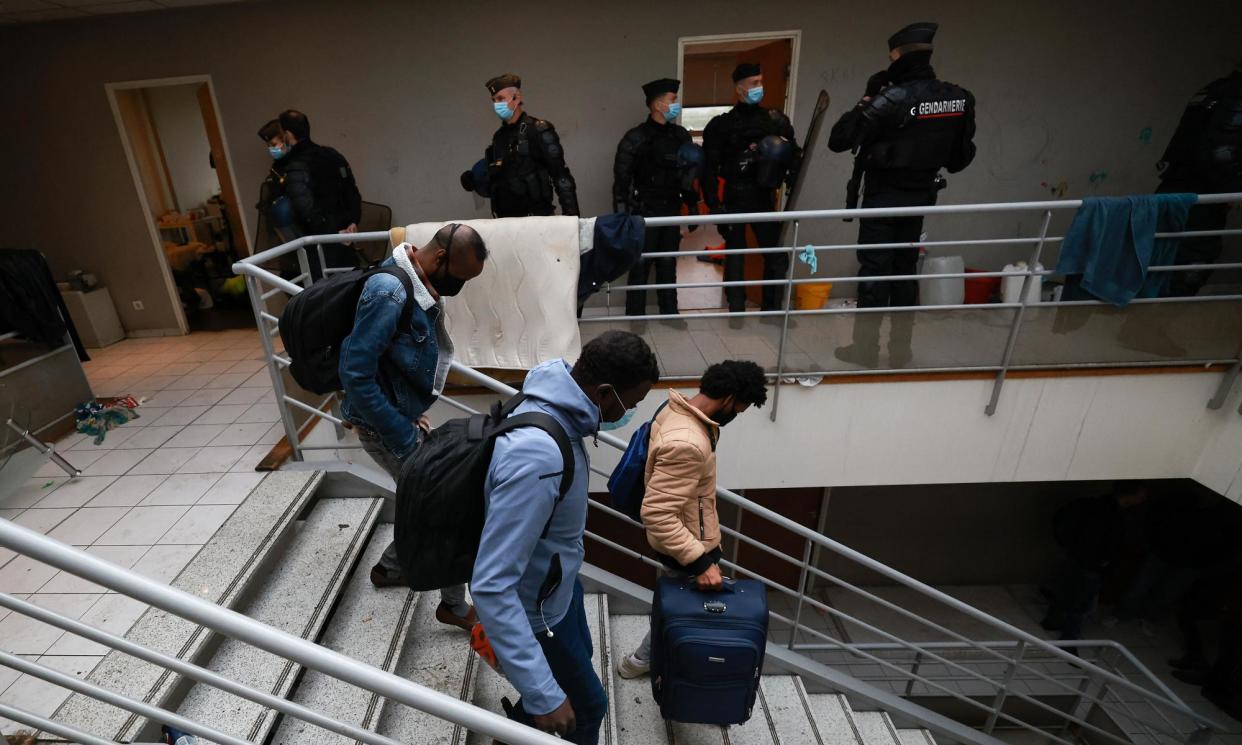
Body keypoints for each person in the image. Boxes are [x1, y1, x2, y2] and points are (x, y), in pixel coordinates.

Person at [472, 331, 658, 743]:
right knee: (588, 707)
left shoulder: (554, 403)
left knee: (579, 671)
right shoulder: (538, 456)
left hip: (558, 590)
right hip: (536, 612)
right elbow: (492, 583)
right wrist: (542, 696)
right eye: (632, 403)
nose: (630, 414)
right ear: (605, 393)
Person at [339, 223, 489, 633]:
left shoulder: (413, 278)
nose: (458, 286)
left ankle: (391, 568)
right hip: (382, 428)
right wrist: (401, 432)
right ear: (440, 258)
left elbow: (391, 358)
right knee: (446, 507)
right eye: (459, 277)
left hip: (396, 417)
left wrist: (408, 409)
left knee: (429, 503)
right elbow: (355, 372)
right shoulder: (388, 291)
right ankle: (453, 607)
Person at [828, 22, 976, 367]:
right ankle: (900, 352)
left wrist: (866, 99)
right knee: (905, 271)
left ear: (897, 55)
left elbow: (839, 139)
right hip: (922, 196)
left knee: (875, 273)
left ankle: (865, 350)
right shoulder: (958, 98)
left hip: (883, 198)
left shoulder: (892, 98)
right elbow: (959, 158)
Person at [616, 359, 768, 679]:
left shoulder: (676, 409)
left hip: (687, 534)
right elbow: (657, 513)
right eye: (740, 408)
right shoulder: (688, 442)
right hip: (686, 545)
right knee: (680, 607)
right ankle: (644, 662)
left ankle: (646, 660)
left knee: (674, 601)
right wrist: (701, 562)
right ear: (728, 399)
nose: (738, 415)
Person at [702, 63, 802, 319]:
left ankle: (772, 311)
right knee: (735, 256)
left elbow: (794, 154)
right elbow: (709, 166)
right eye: (754, 83)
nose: (760, 87)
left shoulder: (774, 120)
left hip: (763, 196)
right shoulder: (722, 125)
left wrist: (790, 172)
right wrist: (713, 202)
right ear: (739, 88)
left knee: (775, 255)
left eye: (761, 81)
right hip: (734, 196)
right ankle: (736, 310)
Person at [614, 78, 700, 322]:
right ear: (658, 104)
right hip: (643, 212)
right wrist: (623, 217)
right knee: (640, 264)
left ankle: (670, 313)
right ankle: (635, 316)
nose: (676, 104)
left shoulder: (681, 136)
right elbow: (621, 181)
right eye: (672, 99)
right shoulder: (635, 138)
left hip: (671, 208)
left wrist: (693, 206)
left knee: (667, 262)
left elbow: (690, 174)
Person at [1155, 64, 1242, 296]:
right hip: (1199, 196)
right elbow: (1220, 152)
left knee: (1160, 261)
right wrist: (1234, 189)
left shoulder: (1214, 89)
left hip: (1176, 189)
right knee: (1188, 265)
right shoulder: (1233, 93)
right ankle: (1150, 325)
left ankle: (1144, 325)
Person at [1040, 484, 1149, 641]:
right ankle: (1069, 637)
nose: (1144, 499)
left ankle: (1052, 621)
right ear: (1131, 495)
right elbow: (1104, 542)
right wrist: (1103, 562)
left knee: (1066, 591)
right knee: (1080, 603)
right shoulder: (1112, 515)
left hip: (1076, 557)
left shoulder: (1095, 505)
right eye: (1142, 494)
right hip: (1091, 564)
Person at [277, 109, 363, 280]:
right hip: (347, 240)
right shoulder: (332, 155)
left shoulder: (295, 165)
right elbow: (352, 192)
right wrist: (352, 223)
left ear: (288, 134)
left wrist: (334, 233)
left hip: (320, 247)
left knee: (327, 297)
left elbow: (305, 210)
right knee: (351, 287)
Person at [480, 74, 580, 217]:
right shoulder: (499, 137)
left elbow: (561, 176)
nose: (497, 104)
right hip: (506, 223)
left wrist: (571, 219)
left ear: (517, 97)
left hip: (537, 218)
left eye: (501, 99)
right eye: (494, 100)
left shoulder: (537, 129)